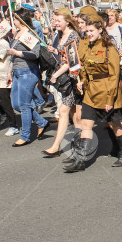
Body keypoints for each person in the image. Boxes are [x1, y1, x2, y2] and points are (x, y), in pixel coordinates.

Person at [65, 15, 122, 172]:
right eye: (87, 31)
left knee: (115, 125)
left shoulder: (109, 48)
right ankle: (81, 160)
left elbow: (114, 76)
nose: (89, 34)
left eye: (92, 31)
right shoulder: (88, 47)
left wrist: (109, 99)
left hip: (107, 91)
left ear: (101, 29)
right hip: (90, 92)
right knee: (86, 124)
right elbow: (85, 69)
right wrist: (81, 82)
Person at [7, 8, 50, 146]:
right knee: (16, 104)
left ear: (20, 20)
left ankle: (25, 136)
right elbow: (12, 55)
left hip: (28, 72)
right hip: (17, 71)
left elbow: (35, 54)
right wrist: (9, 69)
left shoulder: (29, 34)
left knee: (24, 105)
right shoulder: (17, 33)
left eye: (14, 19)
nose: (13, 21)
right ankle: (41, 122)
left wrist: (17, 52)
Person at [42, 9, 81, 156]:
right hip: (64, 78)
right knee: (73, 113)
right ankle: (80, 141)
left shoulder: (73, 35)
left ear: (68, 21)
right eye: (55, 20)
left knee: (64, 111)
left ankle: (56, 146)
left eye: (59, 21)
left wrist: (55, 75)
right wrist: (55, 51)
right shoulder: (60, 35)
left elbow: (72, 61)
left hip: (72, 78)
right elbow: (64, 55)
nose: (56, 23)